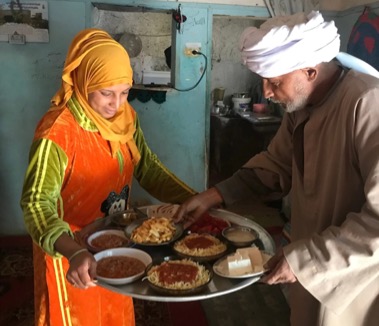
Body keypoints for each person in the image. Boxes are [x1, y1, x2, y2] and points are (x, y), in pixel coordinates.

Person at [175, 11, 379, 326]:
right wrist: (214, 196)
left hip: (351, 277)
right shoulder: (302, 107)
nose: (267, 92)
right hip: (311, 263)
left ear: (310, 71)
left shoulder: (367, 104)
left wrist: (307, 259)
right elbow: (276, 164)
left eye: (275, 82)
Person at [20, 28, 196, 326]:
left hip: (116, 242)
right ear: (85, 81)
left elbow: (147, 168)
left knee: (115, 315)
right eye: (106, 93)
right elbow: (36, 203)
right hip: (72, 254)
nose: (116, 105)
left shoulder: (126, 119)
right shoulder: (57, 132)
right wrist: (74, 252)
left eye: (125, 92)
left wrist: (196, 199)